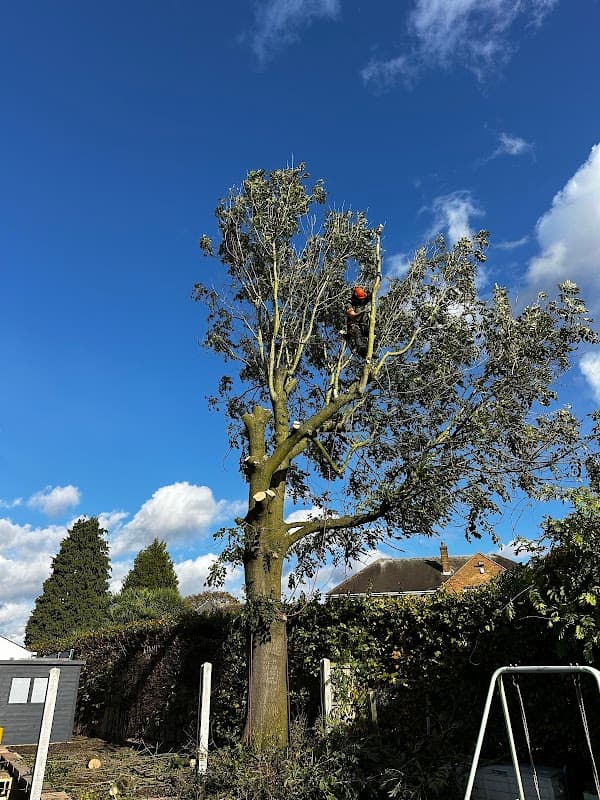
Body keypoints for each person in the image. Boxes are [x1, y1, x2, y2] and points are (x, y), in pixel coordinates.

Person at [344, 286, 372, 357]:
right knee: (357, 334)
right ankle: (362, 352)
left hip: (363, 325)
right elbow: (352, 315)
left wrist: (378, 278)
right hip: (353, 325)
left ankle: (371, 350)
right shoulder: (349, 303)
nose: (361, 300)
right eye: (359, 299)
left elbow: (373, 294)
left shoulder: (364, 298)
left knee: (375, 331)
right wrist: (363, 312)